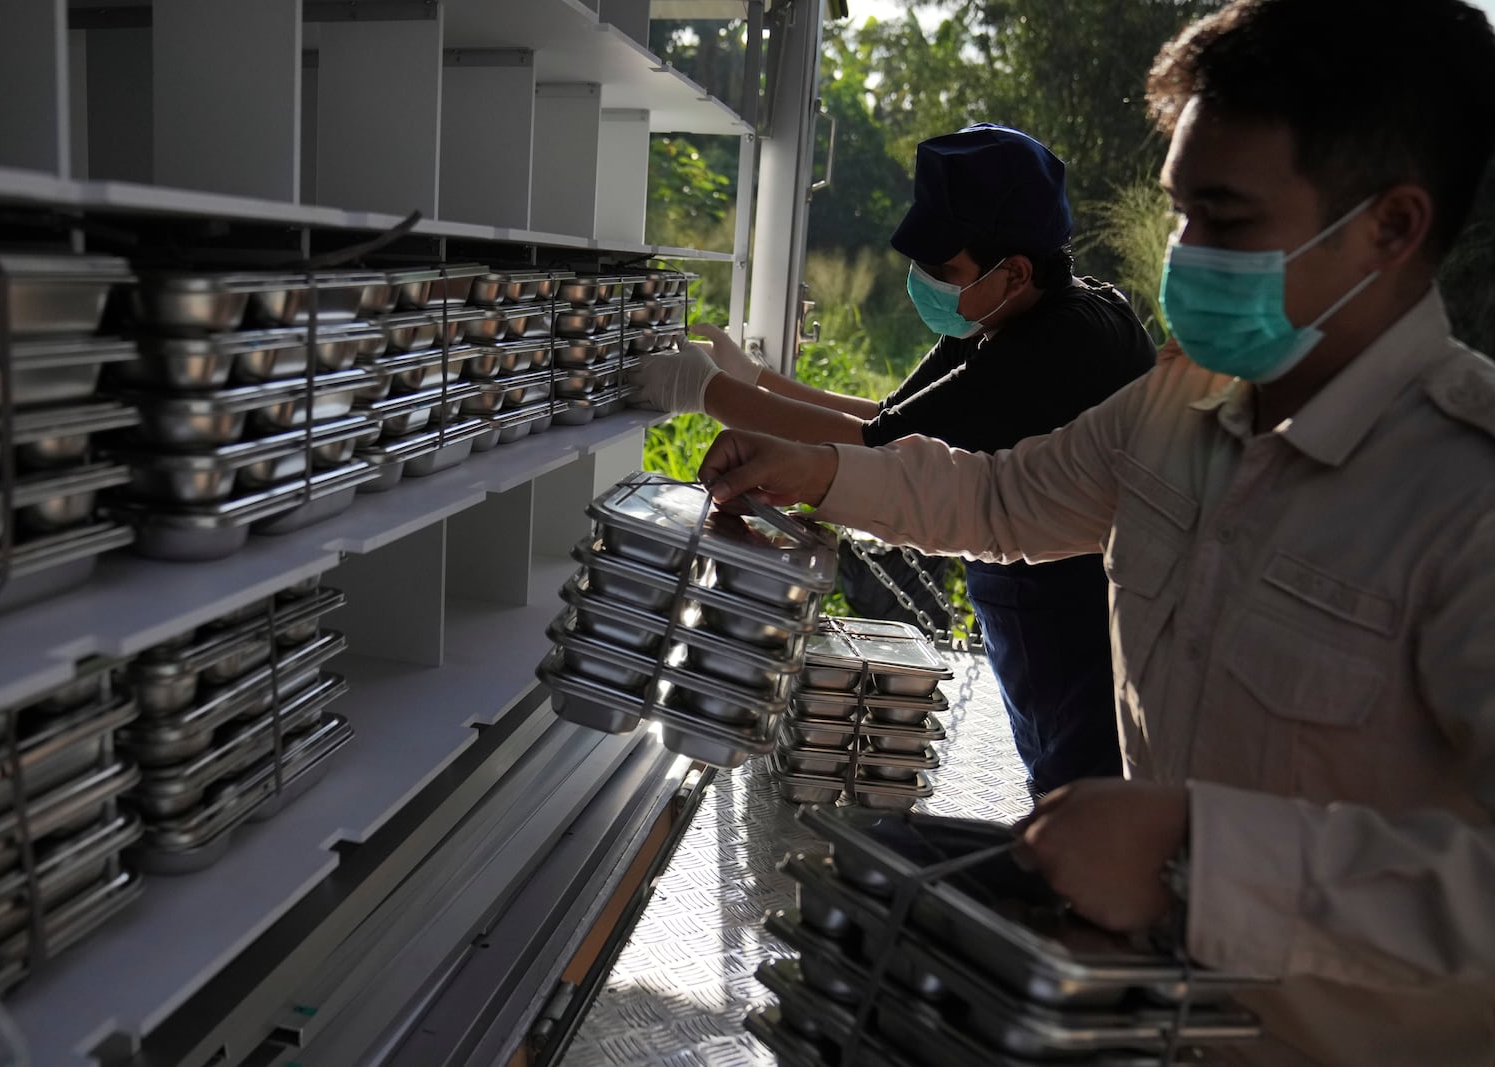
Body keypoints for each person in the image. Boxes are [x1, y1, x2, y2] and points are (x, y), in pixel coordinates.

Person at [695, 0, 1495, 1062]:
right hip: (1140, 1018)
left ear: (1389, 227)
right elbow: (1002, 500)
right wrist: (820, 472)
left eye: (1227, 219)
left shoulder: (1464, 493)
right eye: (1178, 215)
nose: (1185, 256)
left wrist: (1197, 852)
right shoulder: (1182, 404)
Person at [633, 125, 1155, 796]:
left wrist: (707, 393)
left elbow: (876, 452)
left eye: (945, 271)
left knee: (1082, 807)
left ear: (1016, 269)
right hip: (1029, 619)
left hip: (1081, 638)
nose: (926, 284)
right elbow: (888, 419)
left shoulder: (1060, 348)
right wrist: (756, 381)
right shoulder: (1007, 313)